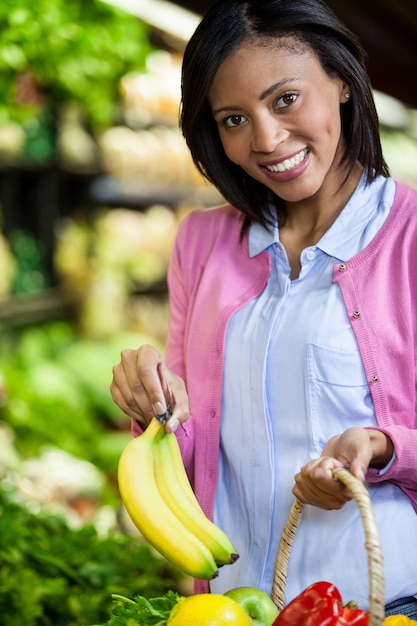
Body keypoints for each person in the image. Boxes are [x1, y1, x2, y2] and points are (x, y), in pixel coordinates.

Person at [110, 0, 417, 617]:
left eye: (284, 99)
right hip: (234, 601)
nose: (266, 140)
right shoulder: (201, 243)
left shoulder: (408, 238)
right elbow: (192, 440)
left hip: (385, 601)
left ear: (343, 82)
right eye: (232, 120)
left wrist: (384, 448)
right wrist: (155, 404)